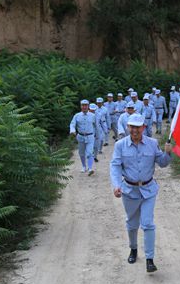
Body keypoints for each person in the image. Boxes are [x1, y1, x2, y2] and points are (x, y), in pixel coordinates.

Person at [110, 113, 173, 273]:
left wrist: (167, 153)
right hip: (129, 191)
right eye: (132, 127)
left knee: (148, 223)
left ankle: (150, 259)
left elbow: (162, 163)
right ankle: (133, 249)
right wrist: (116, 185)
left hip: (148, 190)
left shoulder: (152, 143)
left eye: (138, 127)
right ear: (128, 127)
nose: (135, 130)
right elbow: (115, 166)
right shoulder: (120, 145)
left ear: (144, 127)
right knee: (132, 224)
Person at [69, 99, 97, 176]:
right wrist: (72, 130)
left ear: (88, 106)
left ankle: (90, 168)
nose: (84, 107)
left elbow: (96, 125)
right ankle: (84, 166)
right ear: (81, 106)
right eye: (83, 105)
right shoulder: (77, 116)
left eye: (86, 105)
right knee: (81, 153)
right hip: (80, 136)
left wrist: (97, 135)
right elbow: (72, 124)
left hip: (90, 136)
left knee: (90, 152)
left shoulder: (93, 116)